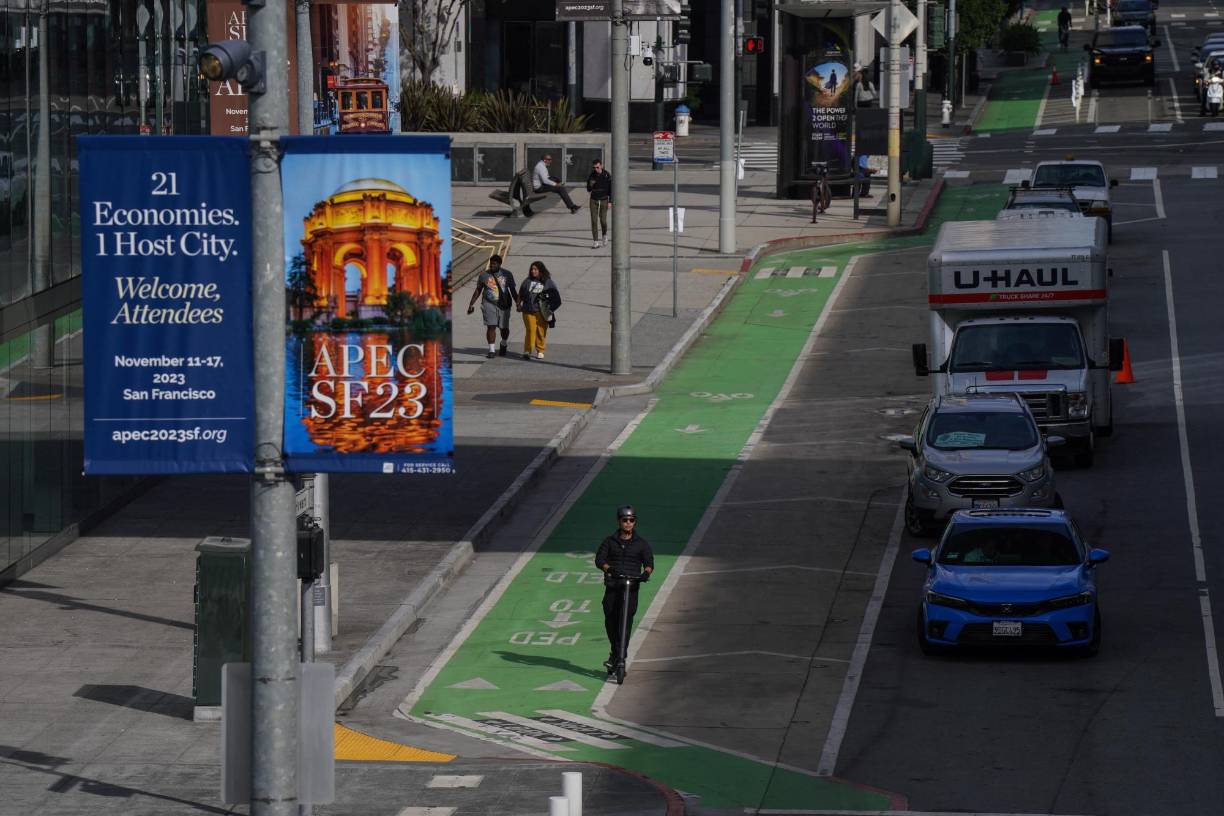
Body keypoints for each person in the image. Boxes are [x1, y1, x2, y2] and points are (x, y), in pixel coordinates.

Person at [595, 505, 654, 673]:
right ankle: (615, 652)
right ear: (619, 521)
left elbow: (649, 562)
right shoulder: (609, 541)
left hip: (631, 588)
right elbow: (600, 559)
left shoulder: (641, 544)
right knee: (611, 620)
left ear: (635, 522)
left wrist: (645, 573)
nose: (628, 523)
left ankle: (620, 657)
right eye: (625, 520)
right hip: (614, 586)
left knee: (625, 623)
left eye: (631, 520)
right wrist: (609, 569)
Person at [465, 254, 519, 358]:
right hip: (489, 303)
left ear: (499, 264)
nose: (492, 266)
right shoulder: (484, 275)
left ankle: (503, 343)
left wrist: (518, 303)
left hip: (504, 304)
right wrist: (471, 304)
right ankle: (492, 350)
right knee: (491, 326)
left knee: (504, 328)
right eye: (491, 264)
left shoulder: (507, 274)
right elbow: (478, 290)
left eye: (494, 264)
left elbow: (513, 291)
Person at [517, 260, 561, 360]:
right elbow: (521, 293)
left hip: (542, 312)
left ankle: (540, 350)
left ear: (541, 270)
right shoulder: (527, 281)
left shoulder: (548, 281)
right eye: (532, 269)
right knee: (531, 330)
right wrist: (518, 304)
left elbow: (555, 295)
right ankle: (527, 350)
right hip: (528, 311)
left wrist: (550, 307)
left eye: (535, 269)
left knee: (541, 331)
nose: (533, 271)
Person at [586, 159, 613, 249]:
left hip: (604, 199)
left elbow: (611, 189)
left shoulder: (606, 175)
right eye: (594, 168)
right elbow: (588, 188)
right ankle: (595, 241)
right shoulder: (592, 175)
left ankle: (604, 235)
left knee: (603, 220)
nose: (596, 169)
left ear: (601, 166)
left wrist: (610, 201)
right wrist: (591, 186)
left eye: (597, 167)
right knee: (594, 221)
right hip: (593, 200)